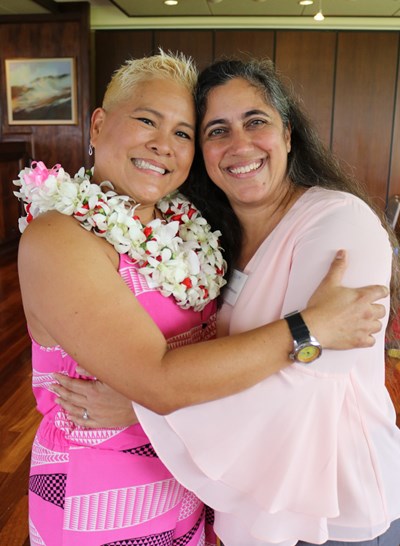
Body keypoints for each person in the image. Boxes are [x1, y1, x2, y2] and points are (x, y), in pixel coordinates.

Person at [16, 51, 388, 546]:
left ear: (288, 134)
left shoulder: (191, 229)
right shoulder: (59, 237)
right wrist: (307, 327)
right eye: (147, 120)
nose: (163, 145)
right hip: (98, 494)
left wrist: (142, 410)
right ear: (99, 124)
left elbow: (306, 385)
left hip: (199, 489)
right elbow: (158, 381)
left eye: (184, 133)